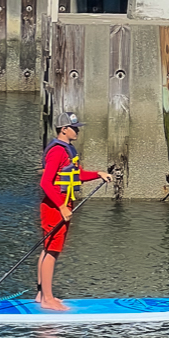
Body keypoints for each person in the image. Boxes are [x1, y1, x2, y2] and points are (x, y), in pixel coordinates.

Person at [37, 111, 111, 310]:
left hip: (61, 205)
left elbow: (77, 175)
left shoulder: (67, 150)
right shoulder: (57, 152)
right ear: (64, 130)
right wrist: (61, 207)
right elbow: (45, 182)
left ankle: (41, 294)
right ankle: (47, 299)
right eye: (74, 128)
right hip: (55, 206)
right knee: (52, 250)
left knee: (48, 249)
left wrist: (98, 174)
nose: (77, 131)